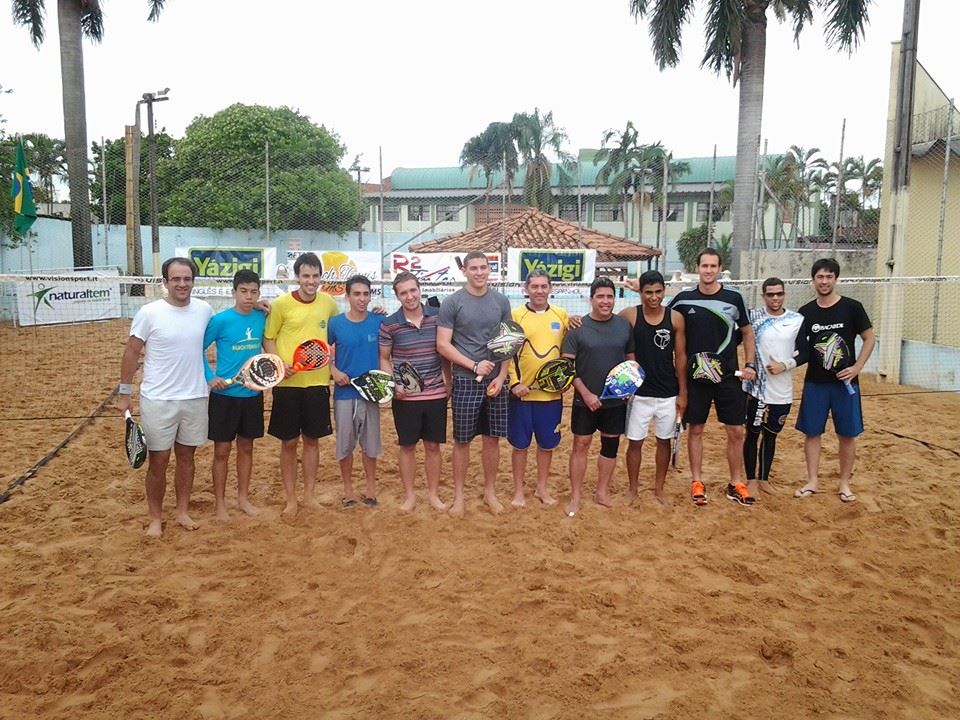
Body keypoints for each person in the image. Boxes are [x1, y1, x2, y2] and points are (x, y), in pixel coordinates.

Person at [118, 257, 213, 538]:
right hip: (158, 399)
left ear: (193, 281)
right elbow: (132, 353)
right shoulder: (149, 313)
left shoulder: (205, 310)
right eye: (176, 279)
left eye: (187, 279)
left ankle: (182, 511)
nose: (182, 284)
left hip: (195, 397)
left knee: (187, 457)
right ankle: (155, 519)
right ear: (165, 282)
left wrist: (257, 306)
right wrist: (124, 394)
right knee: (158, 460)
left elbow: (232, 320)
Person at [669, 248, 758, 507]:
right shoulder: (683, 300)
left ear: (720, 269)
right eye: (704, 266)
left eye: (713, 266)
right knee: (695, 430)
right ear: (697, 268)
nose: (708, 270)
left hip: (728, 377)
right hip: (695, 379)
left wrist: (750, 364)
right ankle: (697, 481)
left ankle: (736, 483)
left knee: (736, 431)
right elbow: (662, 320)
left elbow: (748, 333)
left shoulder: (734, 298)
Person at [792, 258, 875, 503]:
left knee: (847, 435)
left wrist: (857, 367)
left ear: (835, 279)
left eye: (829, 277)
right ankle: (812, 481)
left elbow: (869, 339)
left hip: (845, 384)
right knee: (812, 433)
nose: (824, 281)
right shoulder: (806, 313)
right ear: (813, 280)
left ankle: (844, 484)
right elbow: (800, 349)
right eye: (820, 277)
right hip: (815, 383)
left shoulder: (852, 308)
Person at [437, 251, 513, 517]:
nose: (479, 272)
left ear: (489, 270)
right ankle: (459, 497)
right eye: (474, 268)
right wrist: (473, 365)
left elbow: (508, 343)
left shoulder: (501, 301)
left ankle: (490, 493)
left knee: (492, 440)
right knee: (462, 441)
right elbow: (443, 344)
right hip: (466, 381)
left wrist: (502, 377)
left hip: (496, 382)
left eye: (484, 267)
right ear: (465, 271)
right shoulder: (452, 303)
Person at [263, 251, 338, 518]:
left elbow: (335, 336)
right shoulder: (281, 304)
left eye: (315, 276)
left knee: (312, 441)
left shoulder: (328, 303)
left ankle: (309, 496)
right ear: (297, 277)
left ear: (321, 277)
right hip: (287, 385)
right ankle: (291, 498)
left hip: (317, 383)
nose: (311, 281)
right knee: (288, 442)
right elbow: (268, 338)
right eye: (306, 276)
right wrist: (280, 365)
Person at [561, 276, 634, 516]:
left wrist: (628, 386)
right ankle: (576, 496)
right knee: (581, 445)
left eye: (609, 296)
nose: (605, 301)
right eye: (600, 296)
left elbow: (630, 359)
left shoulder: (623, 326)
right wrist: (586, 393)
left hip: (615, 400)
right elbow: (568, 368)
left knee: (610, 445)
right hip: (585, 400)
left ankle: (602, 492)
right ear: (591, 299)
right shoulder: (576, 328)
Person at [379, 271, 451, 512]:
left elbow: (445, 354)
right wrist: (394, 383)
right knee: (407, 446)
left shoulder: (438, 317)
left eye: (413, 290)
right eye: (403, 293)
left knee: (433, 446)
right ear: (397, 296)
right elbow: (385, 358)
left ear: (419, 289)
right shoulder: (390, 324)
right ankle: (409, 495)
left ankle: (433, 494)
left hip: (436, 394)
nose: (409, 296)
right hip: (405, 396)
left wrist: (447, 382)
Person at [202, 269, 268, 522]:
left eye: (253, 292)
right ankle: (220, 504)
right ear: (234, 292)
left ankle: (243, 499)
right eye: (244, 291)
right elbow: (197, 348)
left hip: (252, 395)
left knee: (247, 448)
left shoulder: (262, 317)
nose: (249, 296)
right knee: (221, 451)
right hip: (224, 396)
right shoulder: (220, 321)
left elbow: (267, 345)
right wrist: (210, 376)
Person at [619, 270, 687, 505]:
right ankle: (633, 489)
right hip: (639, 393)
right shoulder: (630, 315)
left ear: (664, 291)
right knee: (635, 442)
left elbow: (681, 358)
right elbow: (604, 325)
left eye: (658, 292)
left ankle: (659, 488)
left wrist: (683, 393)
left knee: (664, 441)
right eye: (648, 292)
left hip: (668, 392)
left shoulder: (675, 318)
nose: (653, 297)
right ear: (640, 293)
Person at [507, 269, 570, 507]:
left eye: (544, 286)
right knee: (520, 445)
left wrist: (565, 381)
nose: (539, 291)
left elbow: (569, 353)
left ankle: (542, 489)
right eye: (534, 287)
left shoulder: (561, 316)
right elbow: (508, 356)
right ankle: (518, 491)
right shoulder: (515, 316)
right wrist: (514, 383)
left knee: (546, 445)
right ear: (526, 289)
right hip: (522, 395)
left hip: (551, 396)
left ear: (551, 288)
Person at [742, 277, 804, 497]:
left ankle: (764, 479)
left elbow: (804, 353)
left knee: (771, 436)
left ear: (784, 294)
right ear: (763, 296)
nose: (775, 298)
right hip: (756, 389)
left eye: (779, 293)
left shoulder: (797, 319)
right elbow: (736, 337)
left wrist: (784, 365)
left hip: (783, 390)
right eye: (770, 294)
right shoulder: (753, 317)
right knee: (752, 434)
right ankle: (750, 480)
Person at [328, 275, 384, 508]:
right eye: (357, 294)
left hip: (371, 392)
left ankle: (370, 488)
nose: (362, 299)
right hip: (344, 394)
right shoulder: (335, 324)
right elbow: (325, 355)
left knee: (370, 444)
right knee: (345, 444)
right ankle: (348, 490)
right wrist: (334, 371)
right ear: (347, 296)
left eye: (366, 294)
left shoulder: (379, 321)